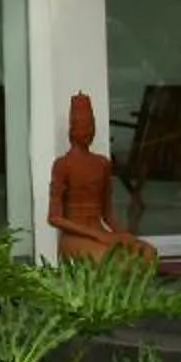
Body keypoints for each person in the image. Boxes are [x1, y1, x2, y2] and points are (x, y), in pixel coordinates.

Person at [46, 92, 155, 262]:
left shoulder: (102, 163)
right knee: (110, 260)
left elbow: (107, 214)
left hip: (100, 231)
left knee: (147, 253)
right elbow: (54, 218)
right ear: (72, 129)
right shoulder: (63, 165)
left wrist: (120, 234)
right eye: (83, 126)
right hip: (75, 236)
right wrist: (95, 235)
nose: (88, 131)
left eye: (91, 125)